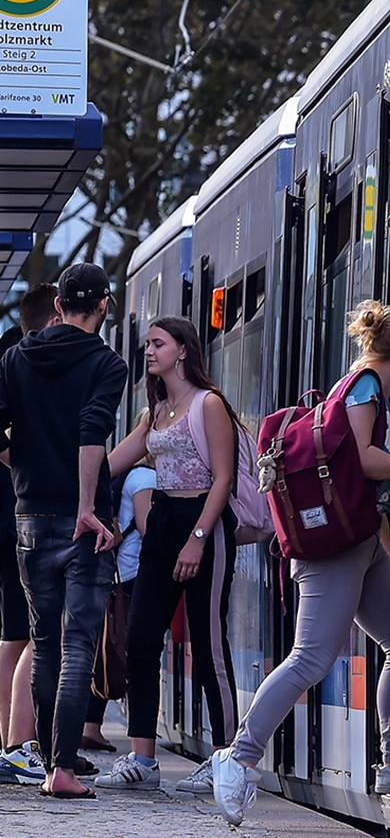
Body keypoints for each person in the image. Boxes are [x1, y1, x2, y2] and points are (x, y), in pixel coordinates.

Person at [213, 301, 390, 824]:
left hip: (357, 539)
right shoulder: (364, 387)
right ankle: (239, 756)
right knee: (310, 659)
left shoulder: (358, 385)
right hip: (333, 548)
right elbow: (364, 458)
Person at [0, 263, 127, 799]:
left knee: (45, 641)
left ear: (58, 306)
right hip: (83, 520)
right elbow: (92, 430)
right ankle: (62, 771)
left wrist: (23, 469)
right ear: (101, 307)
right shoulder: (107, 363)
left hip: (29, 517)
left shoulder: (15, 357)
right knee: (77, 646)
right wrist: (82, 505)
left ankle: (50, 761)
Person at [98, 318, 241, 793]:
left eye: (158, 344)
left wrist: (198, 538)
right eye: (147, 345)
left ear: (183, 351)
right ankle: (143, 760)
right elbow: (108, 465)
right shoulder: (154, 412)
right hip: (161, 523)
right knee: (139, 640)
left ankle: (227, 759)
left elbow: (223, 478)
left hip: (203, 523)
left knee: (208, 645)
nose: (149, 351)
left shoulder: (209, 404)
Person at [0, 283, 60, 783]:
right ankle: (17, 745)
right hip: (20, 514)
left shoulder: (12, 359)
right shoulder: (22, 364)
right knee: (26, 634)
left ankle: (14, 745)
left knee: (19, 633)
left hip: (17, 510)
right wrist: (29, 467)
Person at [79, 459, 153, 755]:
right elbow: (148, 528)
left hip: (113, 575)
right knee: (127, 652)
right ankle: (96, 727)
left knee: (106, 648)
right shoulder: (146, 478)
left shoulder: (123, 476)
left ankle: (90, 726)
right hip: (133, 576)